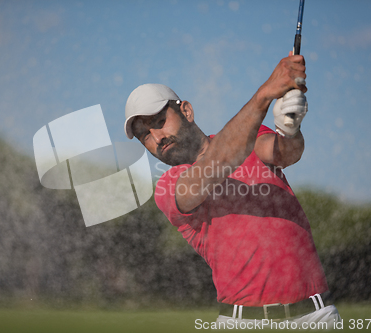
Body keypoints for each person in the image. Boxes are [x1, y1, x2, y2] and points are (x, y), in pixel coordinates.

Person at [123, 52, 341, 327]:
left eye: (158, 121)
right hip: (244, 323)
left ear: (186, 111)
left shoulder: (249, 138)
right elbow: (218, 162)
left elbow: (286, 153)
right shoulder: (168, 187)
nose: (156, 137)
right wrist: (264, 94)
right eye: (144, 135)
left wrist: (289, 128)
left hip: (316, 316)